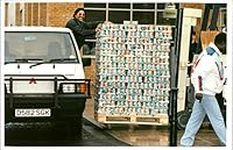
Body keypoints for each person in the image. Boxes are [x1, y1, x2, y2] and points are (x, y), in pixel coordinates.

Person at [180, 32, 226, 146]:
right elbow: (198, 74)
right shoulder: (210, 57)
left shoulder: (211, 54)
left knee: (195, 120)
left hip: (205, 92)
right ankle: (228, 142)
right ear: (222, 43)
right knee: (218, 120)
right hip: (207, 93)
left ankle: (186, 142)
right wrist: (199, 90)